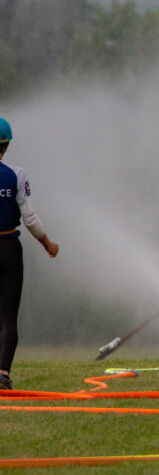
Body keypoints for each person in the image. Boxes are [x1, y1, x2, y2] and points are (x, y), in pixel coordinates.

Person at [0, 117, 60, 391]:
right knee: (8, 318)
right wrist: (48, 244)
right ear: (7, 144)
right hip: (9, 248)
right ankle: (2, 375)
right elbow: (30, 219)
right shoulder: (17, 175)